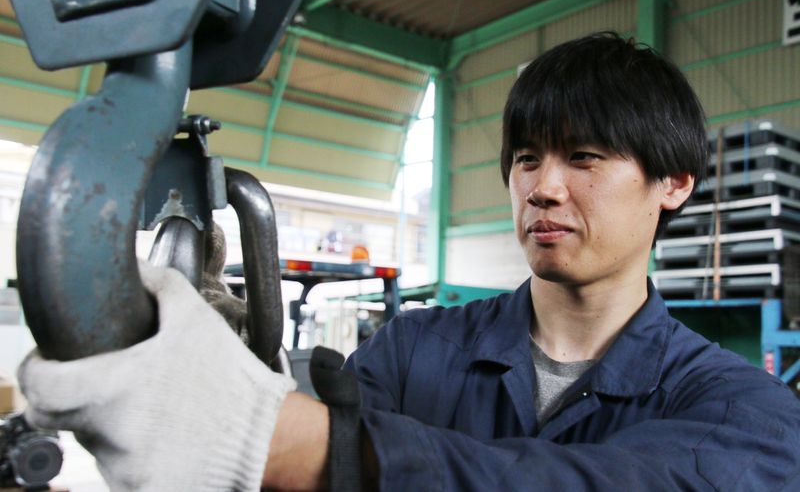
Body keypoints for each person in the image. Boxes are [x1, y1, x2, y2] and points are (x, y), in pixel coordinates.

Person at [18, 32, 800, 491]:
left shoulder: (744, 411)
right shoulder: (415, 350)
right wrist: (245, 376)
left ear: (675, 183)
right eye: (527, 158)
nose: (542, 187)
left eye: (585, 157)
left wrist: (279, 438)